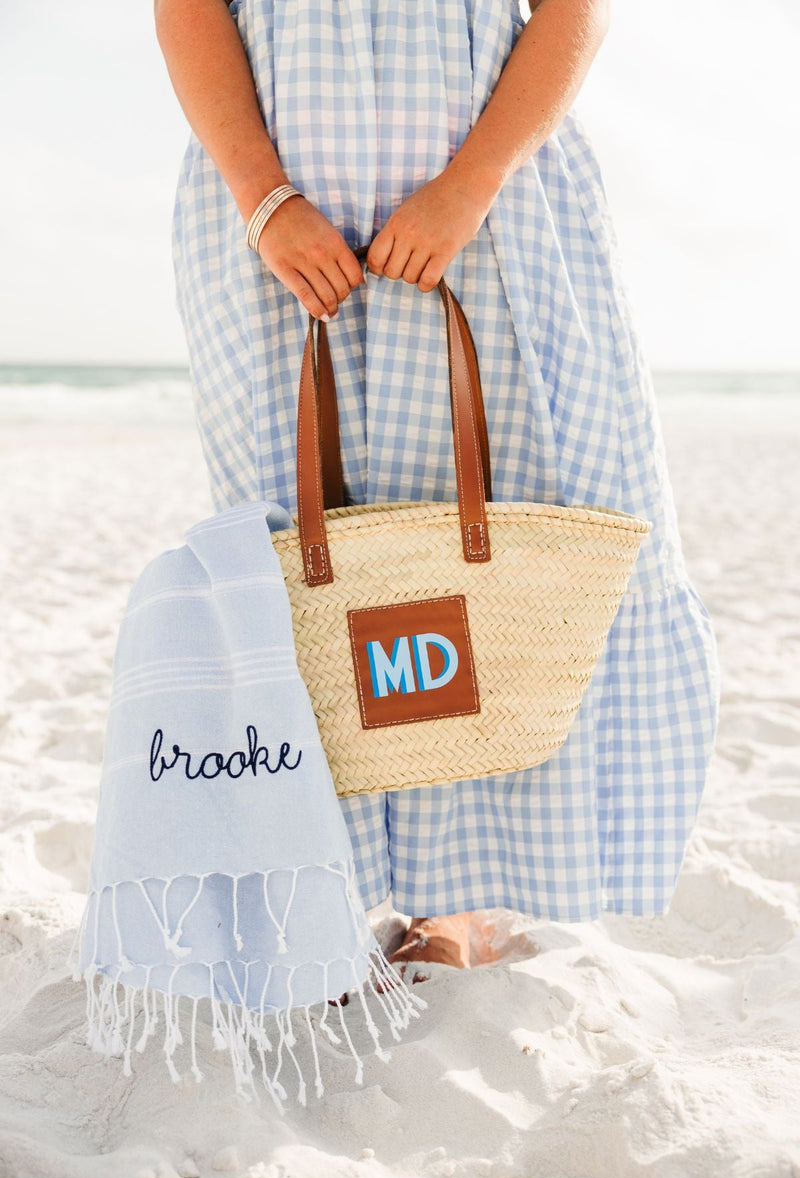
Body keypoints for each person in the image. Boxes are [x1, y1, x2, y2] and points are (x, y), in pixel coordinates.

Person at [154, 0, 720, 999]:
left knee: (491, 537)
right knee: (302, 553)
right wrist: (262, 193)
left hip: (491, 207)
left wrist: (472, 182)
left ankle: (448, 892)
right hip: (272, 222)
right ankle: (327, 883)